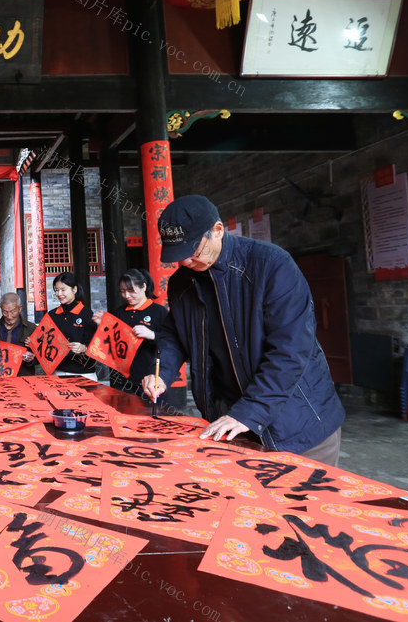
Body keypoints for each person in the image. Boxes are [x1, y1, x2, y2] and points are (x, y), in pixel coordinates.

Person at [141, 195, 345, 466]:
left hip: (297, 423)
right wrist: (162, 373)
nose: (187, 262)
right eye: (179, 256)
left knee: (299, 506)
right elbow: (173, 333)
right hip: (231, 420)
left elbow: (291, 350)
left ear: (217, 230)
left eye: (194, 251)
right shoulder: (182, 283)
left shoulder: (271, 265)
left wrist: (250, 412)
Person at [92, 269, 185, 409]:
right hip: (121, 378)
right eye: (122, 291)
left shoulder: (158, 312)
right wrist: (102, 326)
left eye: (131, 291)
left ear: (144, 287)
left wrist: (152, 335)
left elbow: (173, 342)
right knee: (121, 417)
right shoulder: (119, 312)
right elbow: (110, 344)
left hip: (148, 379)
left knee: (148, 419)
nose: (126, 295)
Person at [50, 271, 99, 378]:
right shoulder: (52, 315)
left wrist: (84, 348)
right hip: (58, 372)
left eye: (63, 290)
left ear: (74, 289)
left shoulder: (86, 313)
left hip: (84, 374)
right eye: (57, 290)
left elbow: (97, 346)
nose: (59, 294)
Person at [0, 292, 37, 376]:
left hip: (23, 378)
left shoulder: (31, 328)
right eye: (5, 312)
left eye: (13, 312)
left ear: (20, 308)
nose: (9, 316)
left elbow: (40, 358)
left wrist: (31, 359)